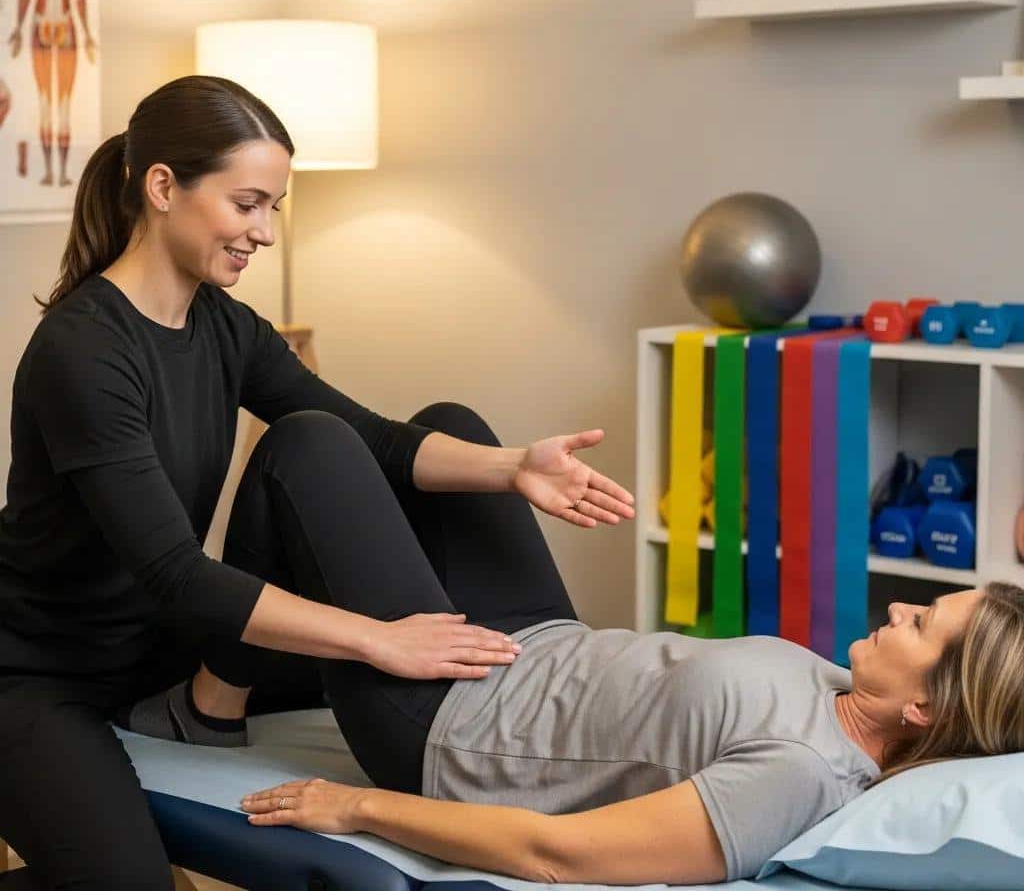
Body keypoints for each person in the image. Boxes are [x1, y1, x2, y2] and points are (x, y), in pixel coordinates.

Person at [0, 74, 636, 891]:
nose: (264, 232)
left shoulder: (221, 323)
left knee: (350, 442)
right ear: (163, 187)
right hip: (39, 670)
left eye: (274, 208)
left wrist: (511, 467)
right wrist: (378, 636)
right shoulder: (83, 350)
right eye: (247, 203)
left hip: (160, 649)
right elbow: (176, 571)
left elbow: (366, 436)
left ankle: (205, 710)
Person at [234, 516, 1024, 886]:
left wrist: (358, 808)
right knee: (455, 433)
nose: (895, 610)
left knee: (309, 448)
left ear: (925, 708)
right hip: (537, 642)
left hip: (446, 725)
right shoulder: (848, 690)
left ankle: (213, 690)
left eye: (919, 624)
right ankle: (278, 665)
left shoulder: (801, 773)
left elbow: (558, 854)